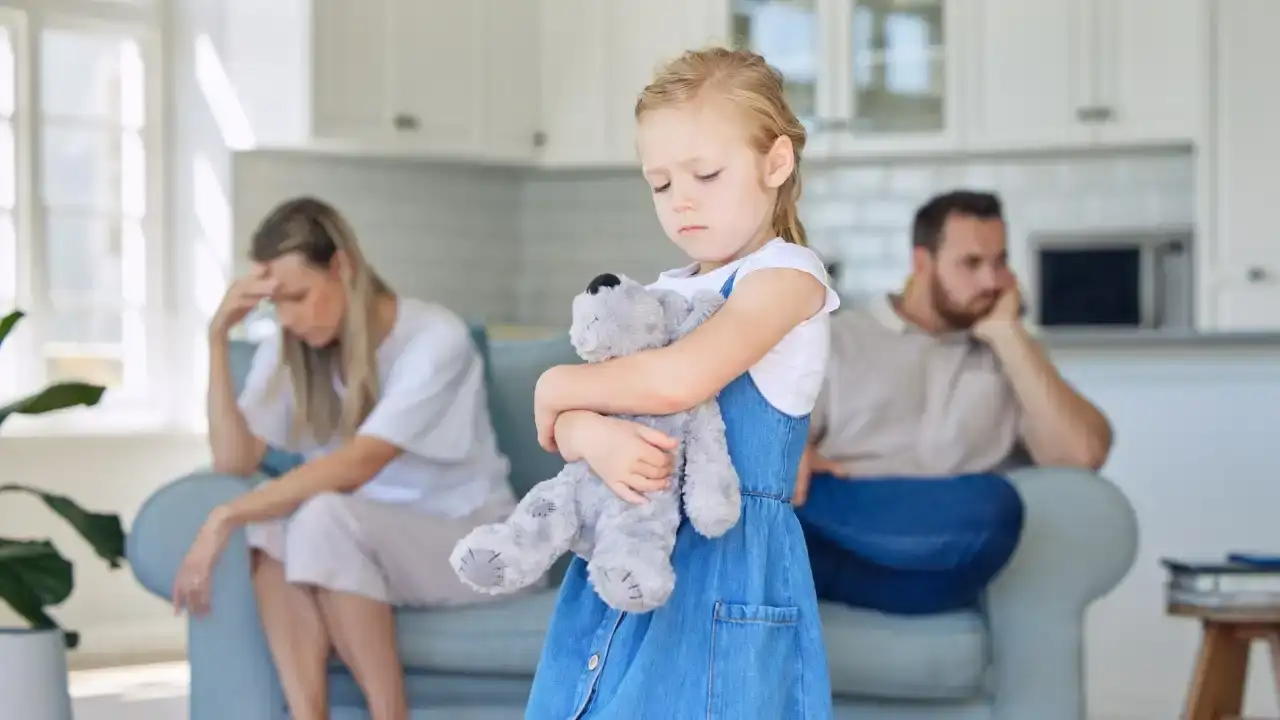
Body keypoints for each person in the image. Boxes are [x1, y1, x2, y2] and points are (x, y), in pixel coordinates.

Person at [523, 47, 840, 720]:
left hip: (725, 569)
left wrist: (557, 384)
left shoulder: (786, 278)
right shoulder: (663, 292)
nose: (682, 200)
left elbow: (676, 382)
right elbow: (581, 425)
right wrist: (588, 432)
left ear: (775, 163)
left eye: (706, 174)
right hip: (625, 554)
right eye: (661, 183)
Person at [170, 197, 519, 720]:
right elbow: (232, 459)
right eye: (275, 305)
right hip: (361, 541)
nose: (287, 319)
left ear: (341, 266)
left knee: (321, 517)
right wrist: (218, 339)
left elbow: (361, 463)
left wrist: (225, 514)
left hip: (472, 538)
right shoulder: (293, 347)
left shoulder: (434, 338)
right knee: (269, 534)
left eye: (298, 297)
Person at [795, 190, 1114, 615]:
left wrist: (1007, 333)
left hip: (944, 562)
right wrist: (795, 448)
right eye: (972, 263)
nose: (991, 281)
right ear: (922, 263)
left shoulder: (1013, 356)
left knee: (993, 509)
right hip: (850, 529)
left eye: (1000, 263)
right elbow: (786, 450)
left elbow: (1082, 455)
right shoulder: (839, 338)